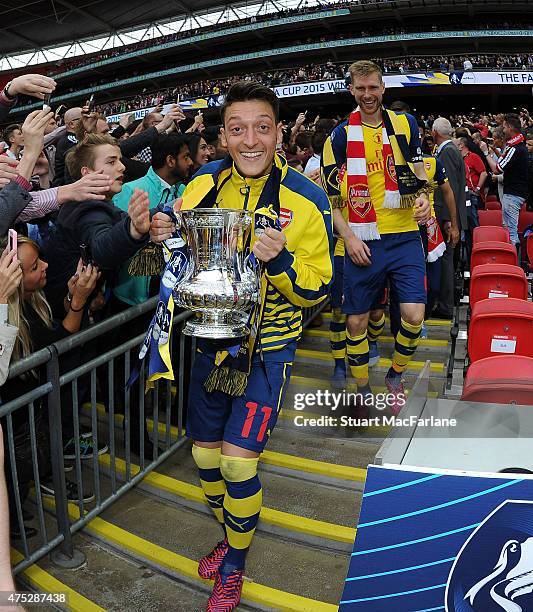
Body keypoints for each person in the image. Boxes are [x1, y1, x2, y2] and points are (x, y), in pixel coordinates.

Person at [150, 80, 333, 611]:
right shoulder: (204, 183)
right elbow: (183, 244)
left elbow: (318, 290)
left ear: (279, 132)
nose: (250, 140)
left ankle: (234, 564)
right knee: (205, 459)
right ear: (223, 137)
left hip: (267, 351)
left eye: (261, 127)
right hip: (210, 347)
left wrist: (278, 262)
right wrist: (159, 229)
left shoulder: (307, 196)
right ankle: (231, 532)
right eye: (237, 129)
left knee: (237, 464)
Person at [321, 60, 431, 413]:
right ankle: (363, 389)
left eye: (374, 88)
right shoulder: (338, 138)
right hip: (362, 241)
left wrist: (425, 198)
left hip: (403, 237)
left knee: (414, 314)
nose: (368, 95)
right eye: (361, 89)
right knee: (355, 321)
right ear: (352, 91)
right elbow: (333, 202)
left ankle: (395, 375)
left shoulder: (405, 124)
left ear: (383, 89)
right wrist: (350, 238)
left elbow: (417, 174)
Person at [432, 117, 467, 318]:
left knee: (445, 262)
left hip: (446, 217)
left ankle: (445, 307)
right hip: (450, 217)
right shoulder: (452, 151)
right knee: (446, 261)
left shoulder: (446, 153)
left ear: (435, 133)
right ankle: (445, 304)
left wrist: (448, 221)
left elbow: (449, 190)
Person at [481, 113, 529, 248]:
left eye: (504, 127)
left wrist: (485, 153)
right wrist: (497, 154)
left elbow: (497, 169)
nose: (502, 130)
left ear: (509, 127)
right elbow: (506, 161)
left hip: (513, 194)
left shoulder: (515, 148)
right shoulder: (518, 145)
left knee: (511, 232)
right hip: (515, 193)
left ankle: (513, 263)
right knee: (509, 229)